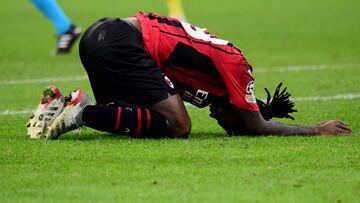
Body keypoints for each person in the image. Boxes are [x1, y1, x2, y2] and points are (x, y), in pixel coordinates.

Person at [26, 13, 352, 139]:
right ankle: (83, 113)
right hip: (119, 41)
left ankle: (63, 105)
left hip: (104, 37)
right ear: (240, 106)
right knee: (180, 125)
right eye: (228, 122)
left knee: (131, 117)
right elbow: (258, 126)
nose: (218, 118)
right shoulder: (239, 68)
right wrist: (315, 129)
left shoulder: (212, 88)